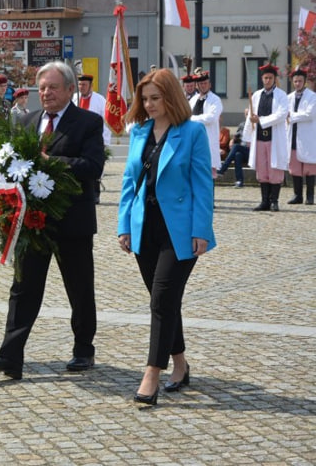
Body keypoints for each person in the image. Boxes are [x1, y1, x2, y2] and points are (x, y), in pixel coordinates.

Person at [0, 60, 104, 380]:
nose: (46, 93)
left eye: (52, 87)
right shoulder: (26, 122)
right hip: (31, 222)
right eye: (42, 87)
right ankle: (11, 356)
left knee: (78, 289)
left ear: (69, 89)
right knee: (23, 289)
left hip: (72, 221)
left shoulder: (88, 122)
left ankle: (83, 349)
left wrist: (53, 162)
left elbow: (92, 167)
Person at [117, 68, 215, 406]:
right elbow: (130, 183)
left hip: (180, 231)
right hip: (145, 227)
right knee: (167, 301)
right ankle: (181, 365)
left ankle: (151, 373)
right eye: (144, 99)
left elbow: (203, 184)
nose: (149, 104)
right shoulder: (140, 131)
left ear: (171, 97)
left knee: (160, 300)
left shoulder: (192, 132)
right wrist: (124, 225)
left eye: (155, 98)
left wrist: (201, 229)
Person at [243, 63, 289, 211]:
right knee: (262, 169)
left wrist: (261, 120)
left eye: (270, 78)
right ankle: (264, 201)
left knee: (274, 168)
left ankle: (274, 201)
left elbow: (281, 115)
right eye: (265, 78)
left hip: (274, 138)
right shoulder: (256, 95)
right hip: (260, 139)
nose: (267, 80)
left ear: (274, 79)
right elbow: (251, 115)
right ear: (262, 79)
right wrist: (247, 135)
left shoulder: (282, 96)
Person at [73, 74, 111, 203]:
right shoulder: (73, 99)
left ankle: (95, 194)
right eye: (79, 85)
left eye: (84, 85)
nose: (81, 87)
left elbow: (105, 121)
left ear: (91, 86)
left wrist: (104, 141)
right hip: (77, 140)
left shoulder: (100, 100)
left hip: (94, 140)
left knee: (93, 168)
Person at [286, 68, 316, 204]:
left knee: (309, 168)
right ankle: (297, 195)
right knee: (295, 167)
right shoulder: (289, 97)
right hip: (293, 136)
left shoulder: (312, 97)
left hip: (307, 136)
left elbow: (309, 114)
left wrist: (292, 116)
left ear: (305, 82)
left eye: (300, 81)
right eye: (295, 81)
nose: (297, 83)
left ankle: (310, 196)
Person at [189, 69, 223, 177]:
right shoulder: (193, 100)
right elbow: (186, 115)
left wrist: (192, 118)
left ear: (210, 85)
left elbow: (211, 117)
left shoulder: (215, 100)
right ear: (197, 86)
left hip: (207, 139)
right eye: (200, 84)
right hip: (194, 140)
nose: (203, 86)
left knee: (208, 174)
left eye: (205, 83)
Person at [218, 122, 250, 188]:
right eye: (246, 114)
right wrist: (232, 140)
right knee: (237, 155)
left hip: (252, 151)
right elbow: (237, 136)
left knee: (236, 146)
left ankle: (223, 168)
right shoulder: (242, 125)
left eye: (248, 114)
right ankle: (239, 181)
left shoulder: (256, 124)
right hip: (243, 150)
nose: (248, 116)